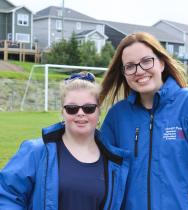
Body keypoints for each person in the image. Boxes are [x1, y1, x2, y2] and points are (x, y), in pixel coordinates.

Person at [99, 32, 188, 210]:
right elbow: (99, 174)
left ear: (161, 63)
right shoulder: (117, 116)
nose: (139, 70)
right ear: (124, 73)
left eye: (146, 61)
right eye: (130, 66)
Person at [0, 72, 130, 210]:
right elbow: (7, 195)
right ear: (62, 112)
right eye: (72, 109)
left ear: (99, 112)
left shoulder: (114, 162)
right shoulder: (36, 151)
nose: (81, 113)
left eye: (89, 108)